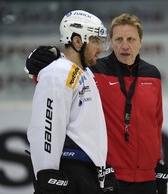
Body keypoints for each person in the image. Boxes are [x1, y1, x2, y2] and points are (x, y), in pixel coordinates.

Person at [25, 13, 168, 194]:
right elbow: (51, 108)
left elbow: (155, 125)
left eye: (131, 39)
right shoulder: (91, 71)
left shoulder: (151, 75)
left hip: (133, 177)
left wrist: (157, 163)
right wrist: (34, 68)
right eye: (118, 39)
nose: (125, 45)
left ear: (141, 41)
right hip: (96, 174)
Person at [25, 10, 108, 194]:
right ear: (77, 41)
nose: (100, 48)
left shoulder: (83, 72)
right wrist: (46, 173)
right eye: (95, 41)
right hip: (68, 174)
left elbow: (89, 129)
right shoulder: (58, 73)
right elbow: (47, 125)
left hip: (86, 174)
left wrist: (103, 169)